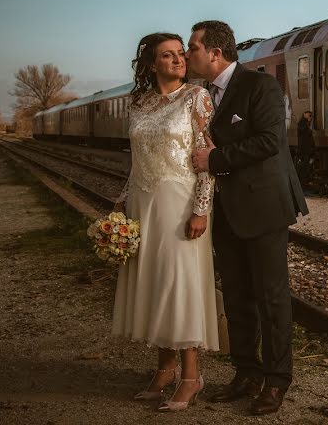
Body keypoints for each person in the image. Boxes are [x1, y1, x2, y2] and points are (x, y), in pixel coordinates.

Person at [187, 20, 309, 416]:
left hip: (264, 207)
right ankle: (246, 372)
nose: (188, 55)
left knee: (272, 298)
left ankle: (276, 381)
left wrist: (215, 158)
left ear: (215, 53)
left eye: (193, 48)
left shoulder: (261, 86)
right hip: (227, 210)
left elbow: (271, 141)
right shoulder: (205, 94)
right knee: (238, 297)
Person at [112, 32, 218, 412]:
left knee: (179, 285)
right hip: (143, 201)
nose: (177, 60)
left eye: (180, 54)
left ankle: (191, 376)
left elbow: (207, 155)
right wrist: (121, 204)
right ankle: (165, 369)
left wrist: (202, 208)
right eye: (167, 55)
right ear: (151, 64)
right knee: (156, 285)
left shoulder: (196, 97)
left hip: (180, 202)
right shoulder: (139, 103)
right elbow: (137, 159)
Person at [296, 111, 315, 185]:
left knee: (307, 168)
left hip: (307, 152)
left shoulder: (306, 128)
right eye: (310, 116)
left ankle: (305, 183)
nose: (311, 118)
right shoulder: (302, 127)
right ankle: (303, 183)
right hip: (304, 152)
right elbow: (304, 141)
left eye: (311, 116)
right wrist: (304, 118)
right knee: (304, 169)